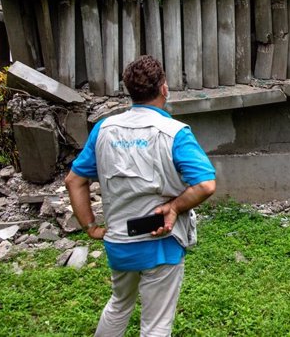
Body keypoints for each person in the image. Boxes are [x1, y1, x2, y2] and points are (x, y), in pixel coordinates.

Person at [65, 55, 216, 336]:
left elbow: (75, 180)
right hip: (161, 241)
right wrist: (174, 206)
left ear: (130, 92)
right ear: (164, 89)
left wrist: (90, 227)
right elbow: (206, 185)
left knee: (119, 304)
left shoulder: (104, 129)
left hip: (119, 241)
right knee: (156, 325)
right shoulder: (175, 134)